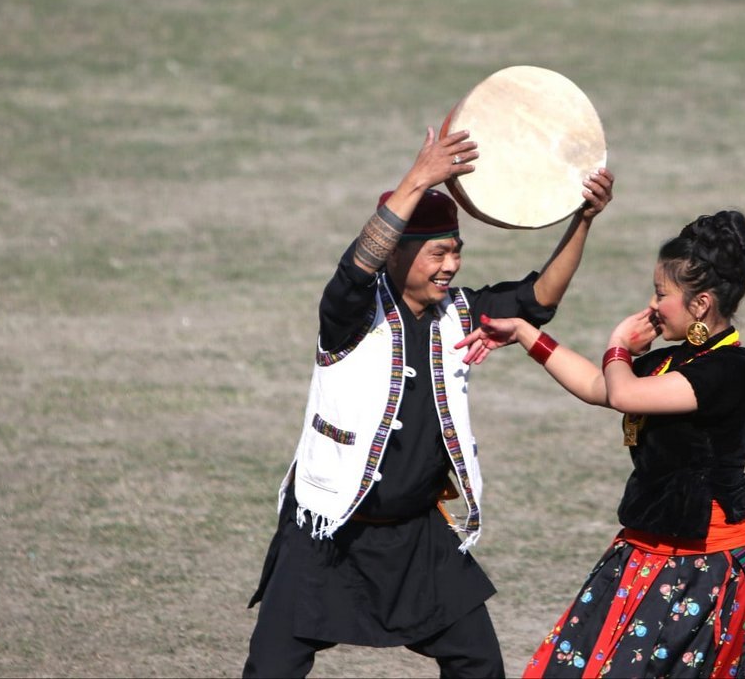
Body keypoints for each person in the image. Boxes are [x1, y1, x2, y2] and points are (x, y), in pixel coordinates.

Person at [242, 126, 615, 678]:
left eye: (456, 253)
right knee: (272, 669)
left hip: (416, 535)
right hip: (329, 529)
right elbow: (355, 268)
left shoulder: (459, 315)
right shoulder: (349, 317)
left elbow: (540, 298)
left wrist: (583, 218)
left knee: (478, 664)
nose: (450, 266)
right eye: (437, 252)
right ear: (397, 255)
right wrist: (419, 177)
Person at [457, 210, 745, 678]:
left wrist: (619, 342)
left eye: (662, 294)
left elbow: (621, 392)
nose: (653, 304)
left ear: (700, 304)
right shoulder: (674, 361)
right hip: (644, 553)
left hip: (701, 565)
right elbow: (599, 387)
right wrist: (524, 333)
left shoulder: (730, 371)